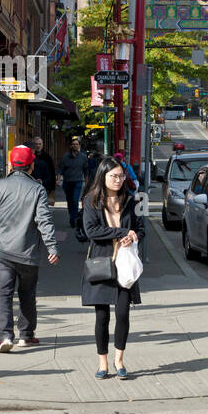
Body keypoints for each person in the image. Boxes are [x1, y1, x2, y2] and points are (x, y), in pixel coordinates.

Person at [0, 144, 59, 352]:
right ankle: (26, 334)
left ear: (11, 164)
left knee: (3, 294)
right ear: (31, 165)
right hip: (28, 252)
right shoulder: (37, 189)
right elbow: (44, 220)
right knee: (27, 294)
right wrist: (52, 247)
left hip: (2, 251)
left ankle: (5, 336)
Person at [81, 157, 144, 379]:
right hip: (102, 263)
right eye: (113, 176)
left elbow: (141, 229)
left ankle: (119, 360)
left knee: (123, 312)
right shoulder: (91, 201)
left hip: (125, 264)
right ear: (103, 176)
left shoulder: (132, 200)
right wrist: (121, 233)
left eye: (121, 175)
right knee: (102, 317)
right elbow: (91, 231)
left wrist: (133, 235)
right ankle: (102, 363)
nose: (118, 180)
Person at [59, 137, 88, 230]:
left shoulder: (83, 157)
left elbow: (86, 171)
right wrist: (58, 179)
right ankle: (72, 216)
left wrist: (87, 183)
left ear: (79, 146)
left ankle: (73, 219)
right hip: (67, 182)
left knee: (75, 200)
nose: (75, 146)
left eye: (77, 144)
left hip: (78, 182)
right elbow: (61, 169)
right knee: (69, 200)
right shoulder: (65, 157)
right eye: (73, 144)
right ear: (71, 146)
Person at [32, 136, 57, 203]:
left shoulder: (47, 157)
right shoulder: (30, 157)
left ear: (42, 145)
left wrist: (52, 189)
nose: (38, 146)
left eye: (40, 144)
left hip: (45, 185)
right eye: (36, 144)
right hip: (32, 186)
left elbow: (52, 173)